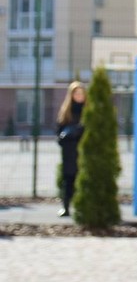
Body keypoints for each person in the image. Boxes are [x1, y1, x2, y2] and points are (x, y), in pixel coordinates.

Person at [55, 81, 87, 217]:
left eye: (81, 93)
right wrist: (66, 136)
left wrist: (79, 131)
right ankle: (66, 207)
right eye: (76, 93)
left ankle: (82, 208)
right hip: (69, 152)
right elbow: (59, 132)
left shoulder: (88, 111)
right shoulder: (65, 112)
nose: (79, 96)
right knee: (68, 180)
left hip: (83, 152)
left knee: (83, 180)